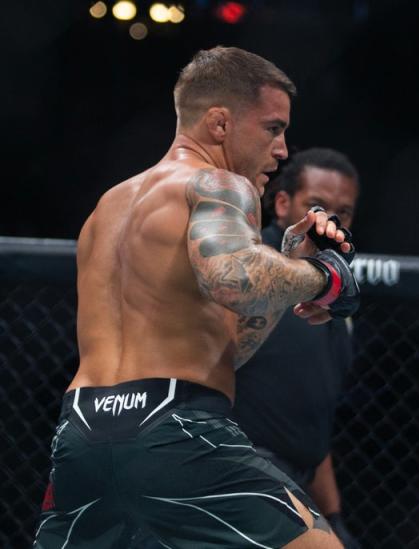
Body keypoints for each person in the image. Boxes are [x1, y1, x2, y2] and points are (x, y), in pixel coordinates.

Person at [34, 46, 359, 549]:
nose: (282, 149)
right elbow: (231, 276)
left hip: (82, 431)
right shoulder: (218, 184)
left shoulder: (109, 207)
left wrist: (290, 264)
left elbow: (225, 348)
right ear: (220, 123)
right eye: (273, 128)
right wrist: (326, 276)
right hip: (174, 427)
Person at [233, 148, 361, 548]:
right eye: (317, 207)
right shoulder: (246, 272)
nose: (330, 221)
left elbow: (310, 427)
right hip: (235, 471)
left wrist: (335, 516)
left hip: (294, 484)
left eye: (344, 211)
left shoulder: (336, 295)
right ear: (283, 204)